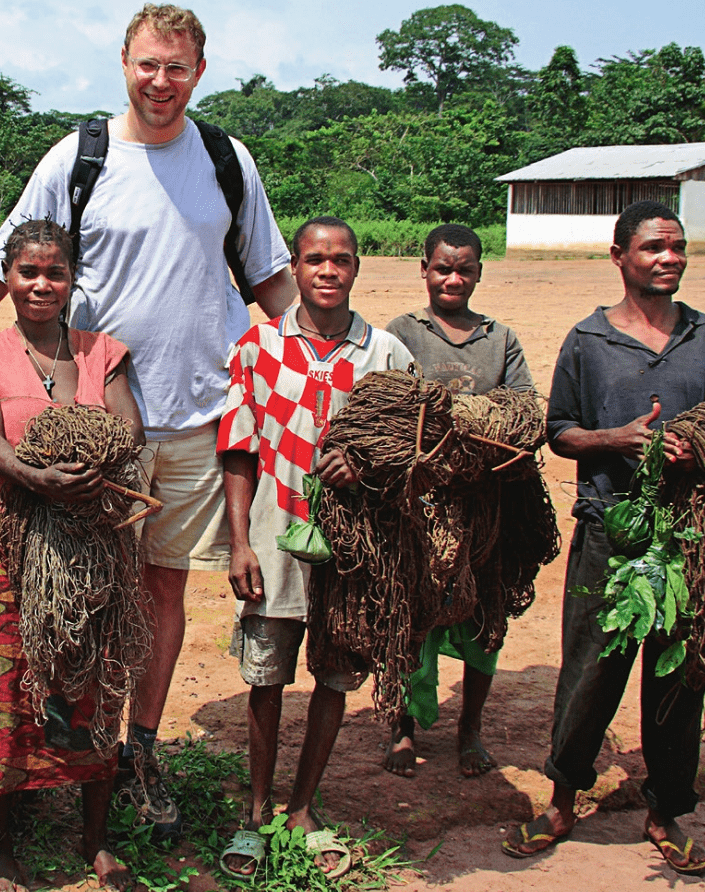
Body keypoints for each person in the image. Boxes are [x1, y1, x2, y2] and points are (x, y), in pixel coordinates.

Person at [0, 3, 295, 836]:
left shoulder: (226, 160)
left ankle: (139, 748)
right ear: (121, 64)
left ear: (199, 72)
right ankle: (55, 742)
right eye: (146, 65)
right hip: (94, 422)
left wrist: (353, 353)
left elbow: (271, 280)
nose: (160, 82)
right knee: (78, 586)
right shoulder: (79, 157)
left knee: (161, 590)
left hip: (201, 415)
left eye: (176, 67)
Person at [502, 201, 705, 875]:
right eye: (651, 248)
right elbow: (557, 432)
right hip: (607, 532)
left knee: (679, 677)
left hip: (692, 541)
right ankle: (561, 798)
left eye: (675, 248)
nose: (666, 259)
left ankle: (665, 809)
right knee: (589, 672)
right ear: (619, 257)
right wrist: (615, 439)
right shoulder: (588, 342)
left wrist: (701, 451)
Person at [217, 217, 414, 879]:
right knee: (265, 681)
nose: (327, 271)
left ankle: (303, 808)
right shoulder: (257, 346)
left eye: (341, 260)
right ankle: (255, 809)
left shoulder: (382, 353)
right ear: (294, 269)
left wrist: (370, 468)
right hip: (273, 543)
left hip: (356, 555)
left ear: (356, 267)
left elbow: (410, 451)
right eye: (314, 260)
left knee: (333, 678)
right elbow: (238, 452)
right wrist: (238, 543)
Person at [0, 219, 144, 892]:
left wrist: (93, 460)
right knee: (5, 694)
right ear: (7, 278)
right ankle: (1, 845)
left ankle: (94, 839)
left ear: (72, 280)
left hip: (93, 551)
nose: (41, 284)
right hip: (13, 546)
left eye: (54, 273)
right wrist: (32, 475)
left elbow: (128, 429)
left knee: (94, 685)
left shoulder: (103, 352)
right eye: (27, 272)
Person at [382, 223, 535, 779]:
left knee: (483, 618)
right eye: (443, 268)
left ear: (478, 272)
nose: (453, 278)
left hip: (483, 508)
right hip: (416, 509)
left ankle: (470, 730)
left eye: (464, 269)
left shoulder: (500, 339)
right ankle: (401, 727)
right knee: (407, 615)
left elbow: (523, 413)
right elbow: (386, 409)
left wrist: (460, 429)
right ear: (423, 269)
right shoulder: (401, 333)